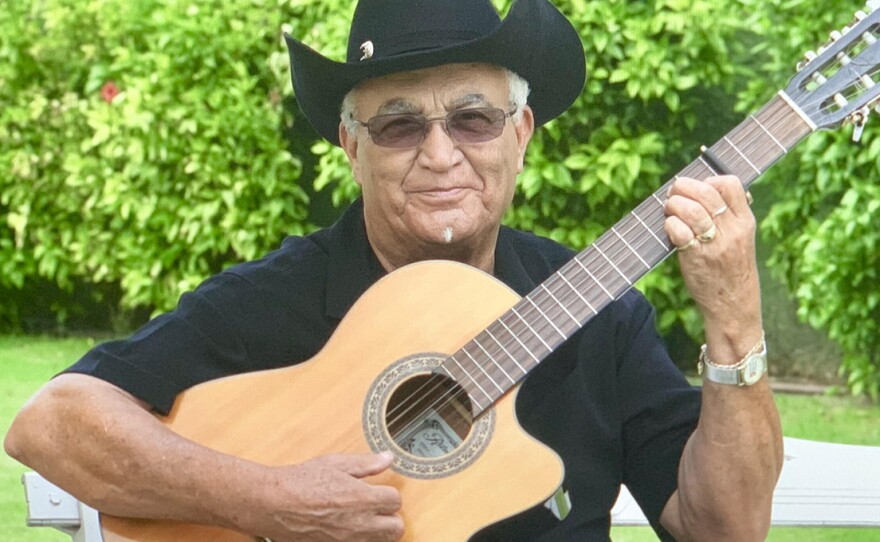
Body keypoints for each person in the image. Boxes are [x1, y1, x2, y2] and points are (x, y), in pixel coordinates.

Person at [4, 0, 783, 540]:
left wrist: (736, 317)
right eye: (399, 125)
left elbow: (725, 529)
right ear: (352, 147)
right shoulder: (275, 301)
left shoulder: (599, 311)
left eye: (473, 119)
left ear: (523, 133)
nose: (440, 155)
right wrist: (270, 500)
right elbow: (51, 422)